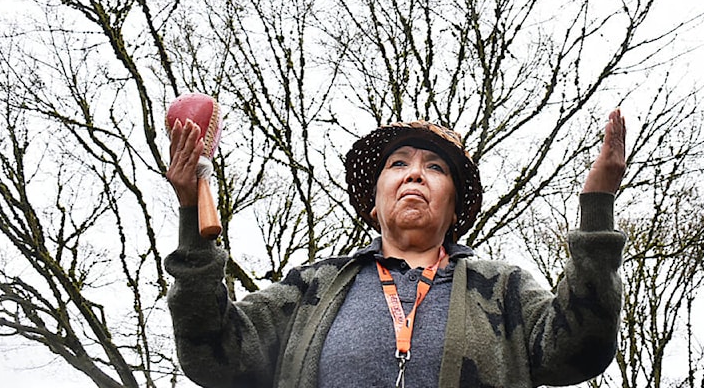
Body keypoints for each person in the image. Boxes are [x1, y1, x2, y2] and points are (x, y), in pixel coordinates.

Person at [165, 110, 627, 388]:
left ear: (453, 210)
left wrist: (598, 206)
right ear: (374, 203)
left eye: (435, 168)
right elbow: (214, 352)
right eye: (398, 164)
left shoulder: (503, 288)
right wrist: (191, 212)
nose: (414, 174)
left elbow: (580, 346)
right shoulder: (312, 288)